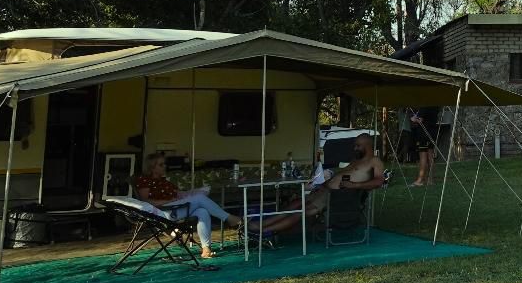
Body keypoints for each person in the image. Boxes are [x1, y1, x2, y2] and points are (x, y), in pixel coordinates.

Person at [248, 133, 386, 235]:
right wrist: (323, 184)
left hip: (338, 197)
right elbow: (341, 176)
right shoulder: (355, 160)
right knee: (295, 203)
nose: (355, 148)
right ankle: (261, 225)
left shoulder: (374, 161)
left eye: (358, 146)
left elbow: (379, 181)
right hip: (325, 190)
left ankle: (264, 231)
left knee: (301, 211)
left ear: (368, 145)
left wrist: (354, 186)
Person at [134, 151, 235, 260]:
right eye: (161, 164)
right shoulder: (144, 180)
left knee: (202, 211)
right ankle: (230, 218)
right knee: (200, 199)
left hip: (176, 207)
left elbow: (178, 193)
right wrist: (168, 201)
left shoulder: (163, 181)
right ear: (152, 167)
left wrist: (192, 193)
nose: (165, 166)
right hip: (163, 212)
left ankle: (206, 249)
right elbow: (146, 202)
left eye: (164, 164)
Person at [410, 107, 439, 186]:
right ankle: (430, 180)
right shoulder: (436, 105)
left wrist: (412, 119)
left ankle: (420, 180)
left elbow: (419, 119)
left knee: (423, 156)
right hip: (433, 132)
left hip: (424, 133)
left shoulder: (425, 105)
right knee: (430, 156)